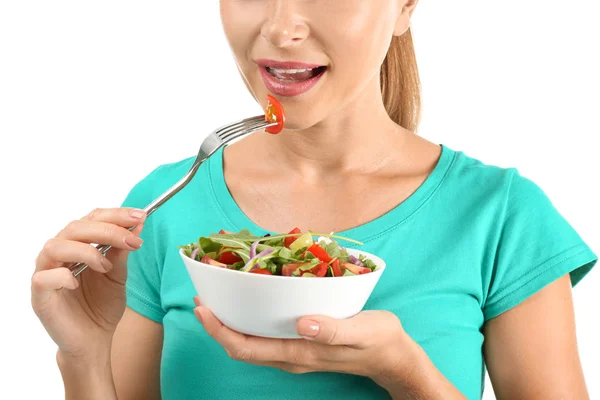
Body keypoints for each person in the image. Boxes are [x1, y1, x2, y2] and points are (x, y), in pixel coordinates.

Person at [31, 1, 597, 399]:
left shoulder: (501, 215)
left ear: (405, 7)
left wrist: (408, 376)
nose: (281, 28)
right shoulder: (162, 205)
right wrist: (82, 355)